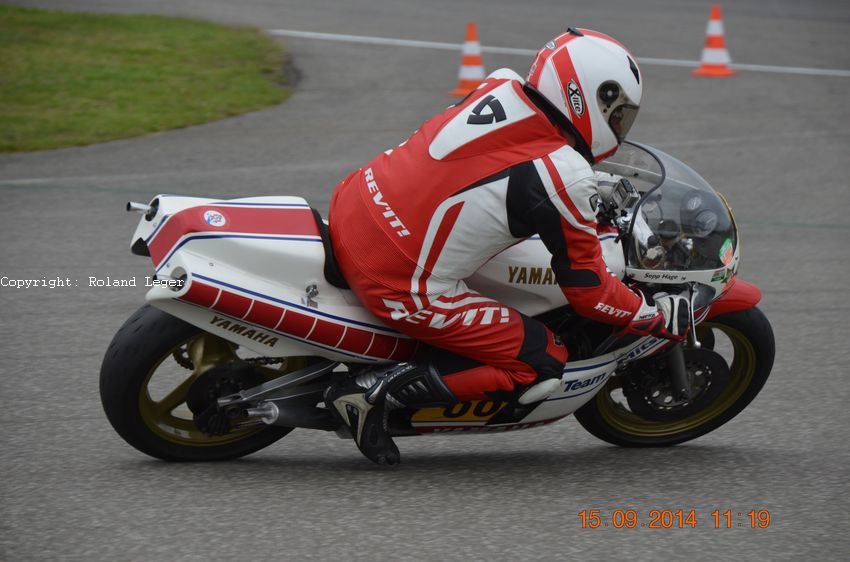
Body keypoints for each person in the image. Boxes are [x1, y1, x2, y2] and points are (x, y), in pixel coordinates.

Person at [325, 28, 690, 465]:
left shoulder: (499, 86)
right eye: (617, 115)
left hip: (354, 200)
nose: (618, 127)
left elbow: (493, 167)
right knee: (541, 359)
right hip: (396, 276)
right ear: (591, 99)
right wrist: (647, 315)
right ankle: (369, 394)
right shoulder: (564, 174)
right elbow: (589, 291)